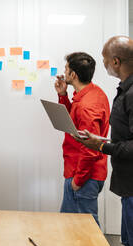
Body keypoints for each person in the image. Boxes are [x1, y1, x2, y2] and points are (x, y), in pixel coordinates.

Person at [73, 36, 133, 246]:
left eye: (105, 59)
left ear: (116, 61)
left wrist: (100, 146)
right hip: (127, 187)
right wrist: (102, 140)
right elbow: (126, 136)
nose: (104, 63)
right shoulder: (124, 89)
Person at [54, 52, 110, 225]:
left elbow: (90, 148)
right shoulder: (93, 93)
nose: (64, 73)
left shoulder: (86, 106)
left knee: (86, 231)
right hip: (82, 172)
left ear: (73, 75)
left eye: (66, 69)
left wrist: (78, 181)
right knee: (72, 227)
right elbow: (74, 123)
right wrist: (63, 95)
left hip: (83, 175)